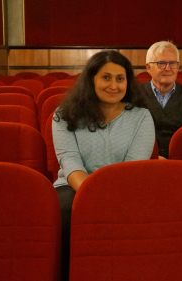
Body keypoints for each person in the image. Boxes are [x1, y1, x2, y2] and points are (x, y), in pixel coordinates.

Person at [52, 50, 155, 281]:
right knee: (66, 211)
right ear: (91, 80)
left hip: (125, 187)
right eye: (106, 77)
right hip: (75, 187)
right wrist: (92, 194)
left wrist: (109, 196)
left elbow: (134, 166)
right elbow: (69, 160)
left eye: (120, 78)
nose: (114, 85)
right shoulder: (64, 114)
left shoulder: (141, 117)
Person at [141, 41, 182, 159]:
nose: (168, 68)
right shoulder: (134, 95)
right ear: (148, 67)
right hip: (143, 164)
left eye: (173, 63)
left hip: (181, 164)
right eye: (161, 63)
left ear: (178, 66)